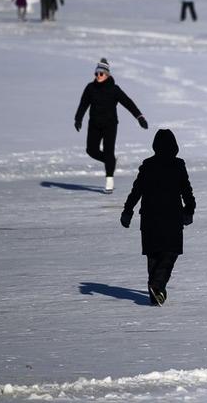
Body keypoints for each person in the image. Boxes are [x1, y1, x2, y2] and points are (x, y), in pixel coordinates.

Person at [120, 129, 195, 306]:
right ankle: (157, 285)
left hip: (149, 218)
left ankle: (155, 294)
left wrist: (127, 211)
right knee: (170, 252)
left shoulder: (147, 165)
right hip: (171, 217)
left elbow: (136, 191)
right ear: (175, 146)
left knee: (153, 255)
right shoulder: (178, 165)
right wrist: (189, 209)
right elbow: (187, 190)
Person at [74, 58, 148, 193]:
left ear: (107, 74)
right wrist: (78, 119)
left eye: (101, 74)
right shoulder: (90, 88)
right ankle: (111, 162)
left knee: (108, 151)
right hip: (94, 125)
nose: (98, 76)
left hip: (110, 125)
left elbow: (128, 102)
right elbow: (83, 104)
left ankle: (109, 179)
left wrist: (139, 117)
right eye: (96, 74)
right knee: (91, 150)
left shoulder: (114, 89)